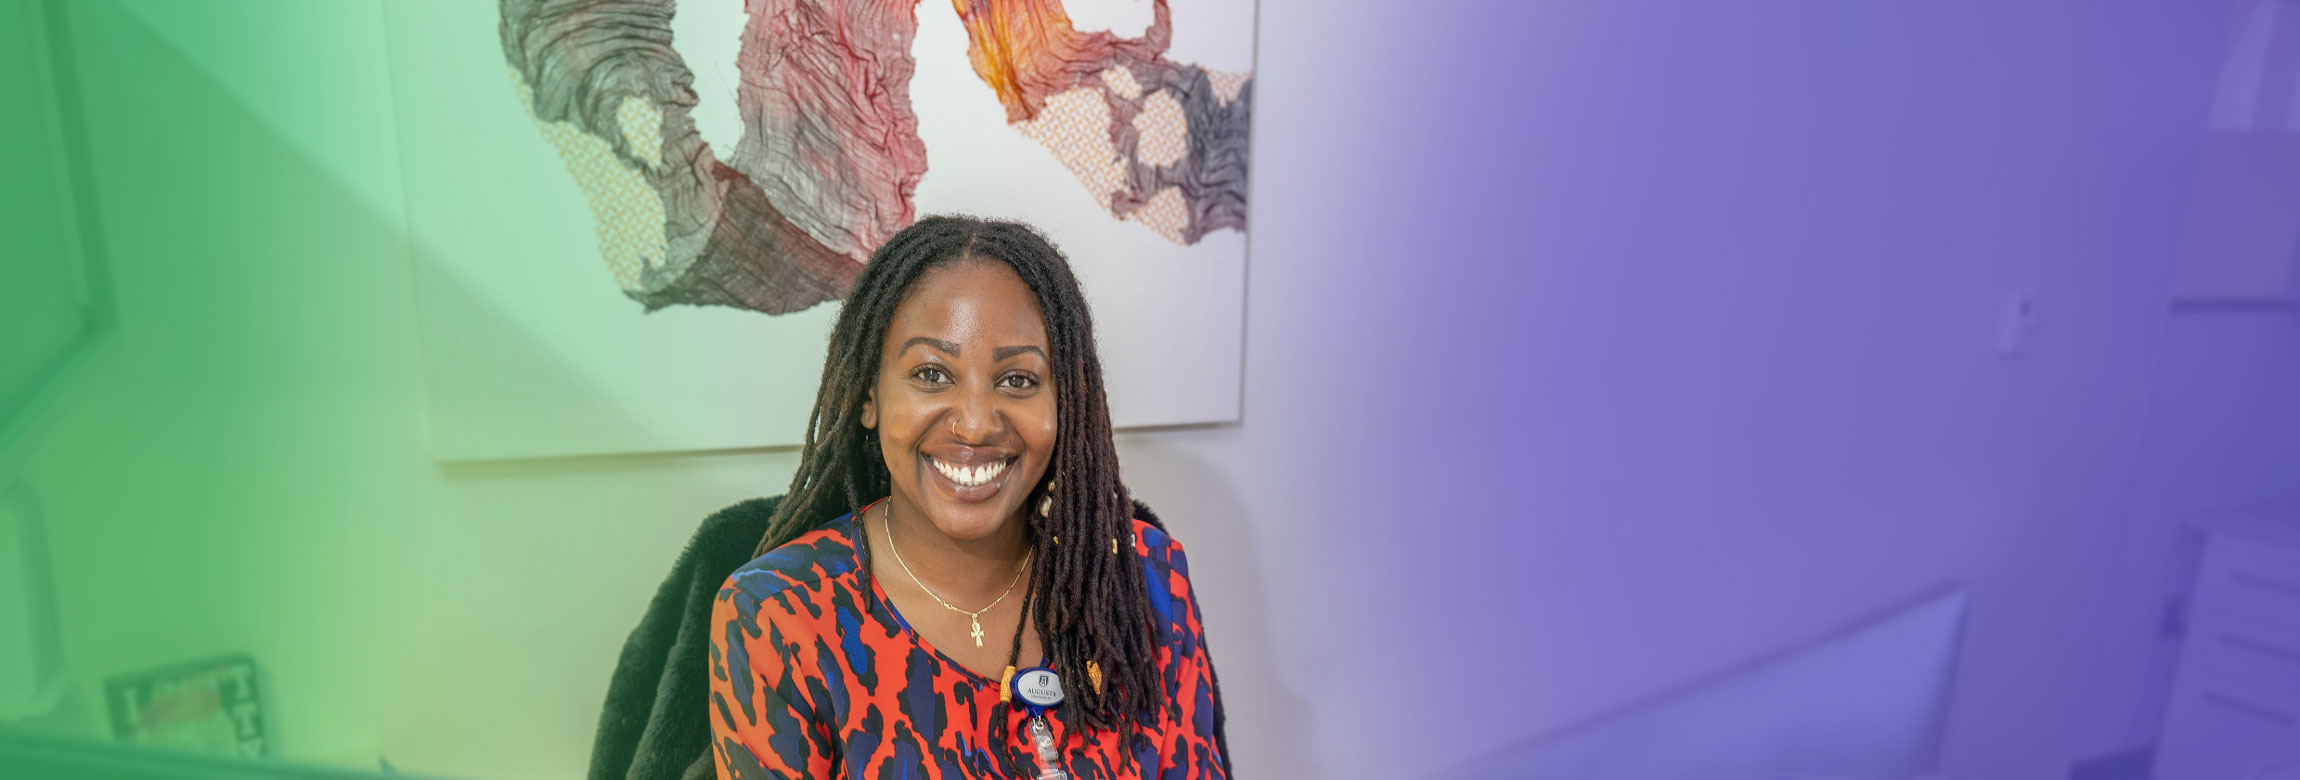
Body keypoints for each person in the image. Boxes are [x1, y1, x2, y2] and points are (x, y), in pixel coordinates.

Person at [707, 216, 1230, 778]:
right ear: (869, 396)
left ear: (1065, 401)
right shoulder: (782, 617)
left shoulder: (1144, 577)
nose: (976, 424)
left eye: (1018, 380)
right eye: (932, 373)